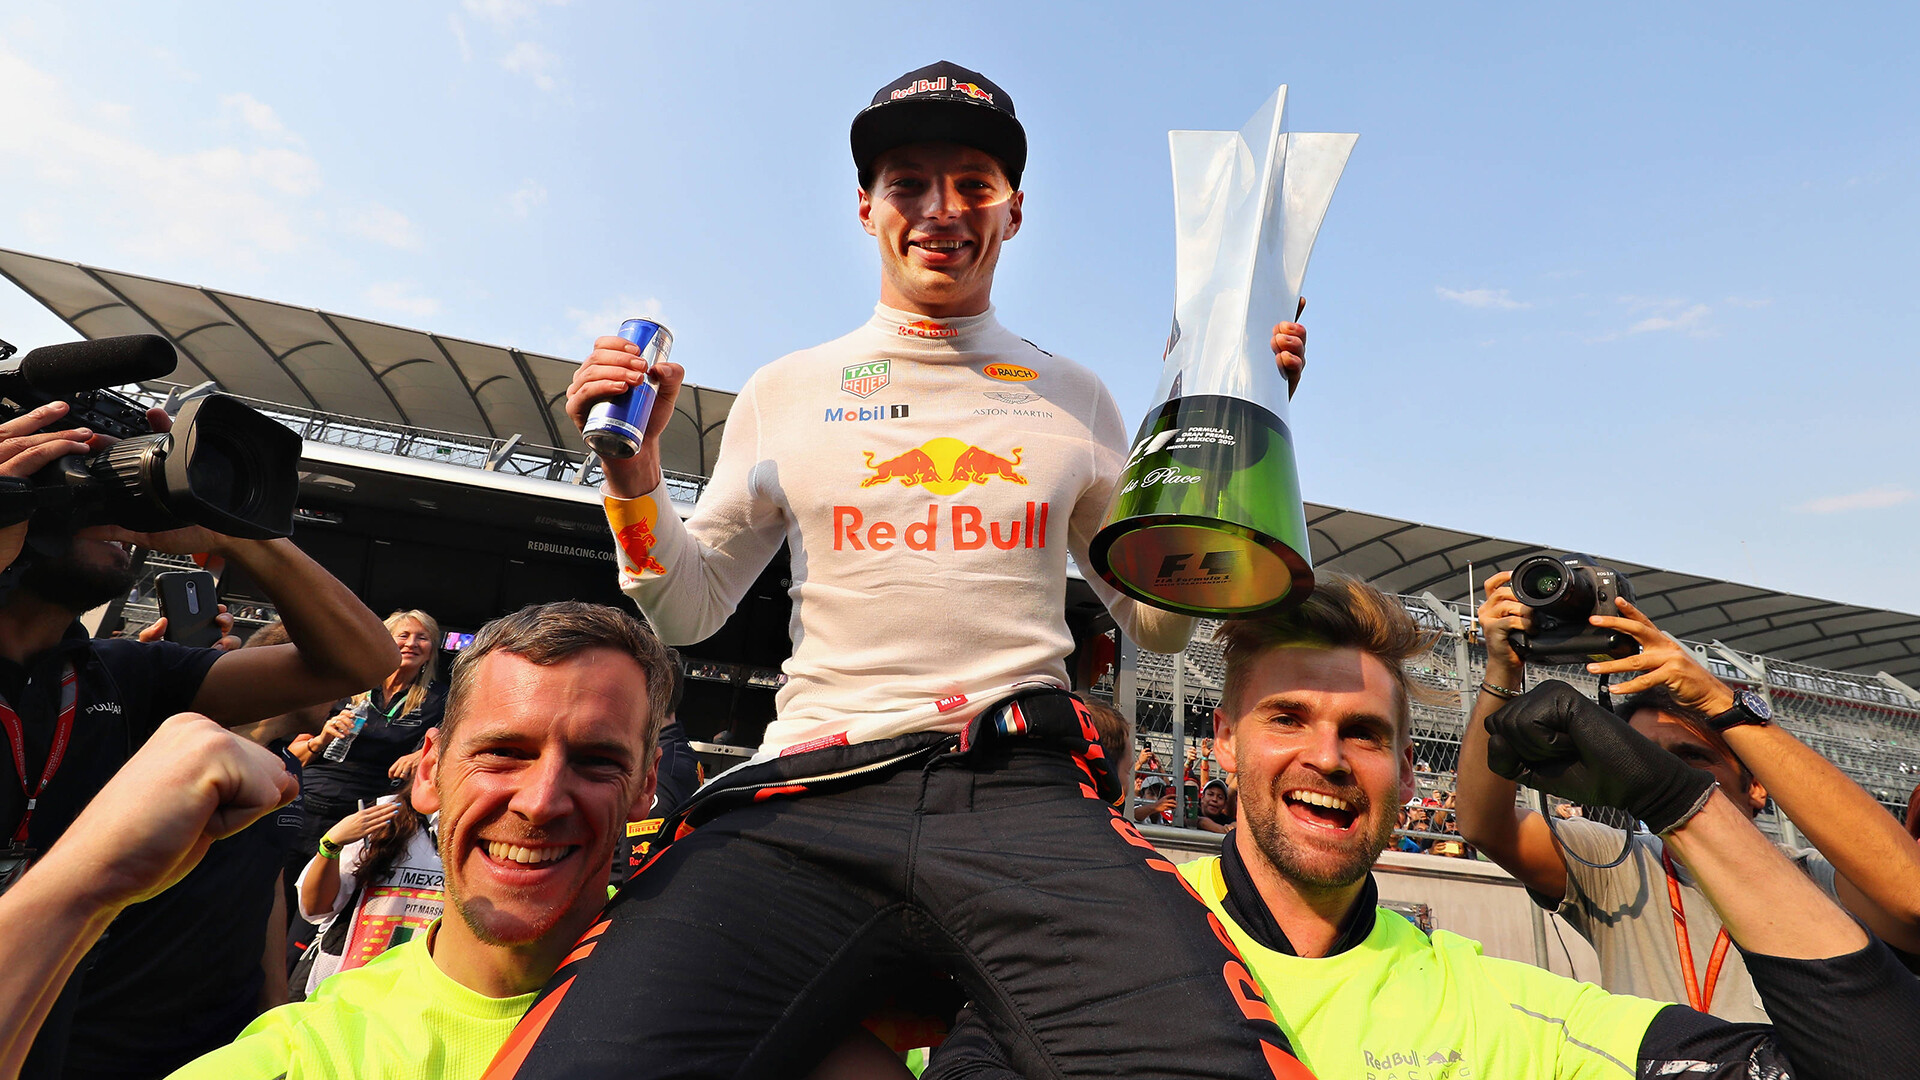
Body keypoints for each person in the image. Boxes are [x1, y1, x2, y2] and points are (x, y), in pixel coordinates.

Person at [492, 61, 1317, 1080]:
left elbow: (1156, 627)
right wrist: (632, 466)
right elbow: (688, 608)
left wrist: (1221, 440)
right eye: (908, 183)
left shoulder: (1082, 398)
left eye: (973, 183)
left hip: (1023, 793)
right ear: (866, 207)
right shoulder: (788, 388)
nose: (942, 210)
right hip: (799, 800)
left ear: (1014, 212)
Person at [925, 574, 1920, 1079]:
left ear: (1407, 775)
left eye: (1364, 733)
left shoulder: (1496, 1014)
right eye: (1288, 720)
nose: (1327, 755)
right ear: (1221, 744)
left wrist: (1682, 802)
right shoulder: (1079, 955)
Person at [0, 401, 400, 1078]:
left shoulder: (120, 676)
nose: (117, 517)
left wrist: (232, 527)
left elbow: (360, 659)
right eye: (80, 481)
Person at [169, 601, 675, 1080]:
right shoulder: (309, 1049)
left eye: (597, 761)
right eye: (502, 751)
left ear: (645, 785)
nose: (540, 802)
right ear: (430, 771)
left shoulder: (714, 997)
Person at [1456, 571, 1920, 1019]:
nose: (1658, 775)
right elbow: (1482, 826)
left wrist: (1719, 701)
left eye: (1691, 757)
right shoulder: (1618, 865)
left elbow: (1911, 890)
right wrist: (1503, 667)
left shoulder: (1818, 883)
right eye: (1635, 757)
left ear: (1756, 785)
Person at [0, 714, 299, 1080]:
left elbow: (270, 874)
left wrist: (273, 1004)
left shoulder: (285, 766)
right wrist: (90, 885)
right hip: (111, 1034)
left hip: (218, 1032)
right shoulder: (143, 740)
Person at [292, 610, 446, 863]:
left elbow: (458, 740)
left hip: (371, 811)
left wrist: (422, 754)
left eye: (422, 638)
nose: (411, 644)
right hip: (310, 799)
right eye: (403, 635)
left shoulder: (439, 698)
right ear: (382, 643)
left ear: (431, 651)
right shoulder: (346, 685)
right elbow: (293, 759)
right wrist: (320, 740)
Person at [291, 793, 444, 1000]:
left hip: (426, 993)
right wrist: (330, 844)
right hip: (345, 986)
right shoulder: (384, 819)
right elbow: (314, 908)